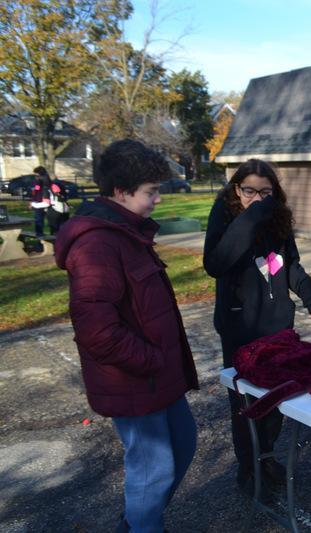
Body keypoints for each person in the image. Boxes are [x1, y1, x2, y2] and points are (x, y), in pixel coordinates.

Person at [54, 139, 199, 532]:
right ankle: (143, 526)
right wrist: (152, 361)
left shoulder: (127, 233)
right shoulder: (97, 244)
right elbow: (96, 330)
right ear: (120, 191)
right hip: (136, 380)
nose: (157, 200)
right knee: (153, 470)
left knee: (183, 445)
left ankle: (137, 521)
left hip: (158, 377)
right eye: (151, 191)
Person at [203, 159, 311, 495]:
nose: (257, 199)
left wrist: (308, 293)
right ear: (236, 189)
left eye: (265, 193)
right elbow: (216, 263)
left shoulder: (277, 217)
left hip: (277, 326)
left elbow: (290, 263)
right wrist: (249, 218)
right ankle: (249, 469)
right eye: (249, 191)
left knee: (275, 399)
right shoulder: (225, 214)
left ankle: (266, 456)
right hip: (240, 327)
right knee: (245, 403)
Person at [29, 166, 52, 236]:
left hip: (39, 201)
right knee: (45, 218)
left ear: (38, 173)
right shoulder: (48, 179)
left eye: (35, 173)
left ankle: (39, 234)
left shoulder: (38, 180)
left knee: (38, 219)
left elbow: (36, 190)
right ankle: (43, 233)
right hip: (47, 200)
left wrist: (32, 201)